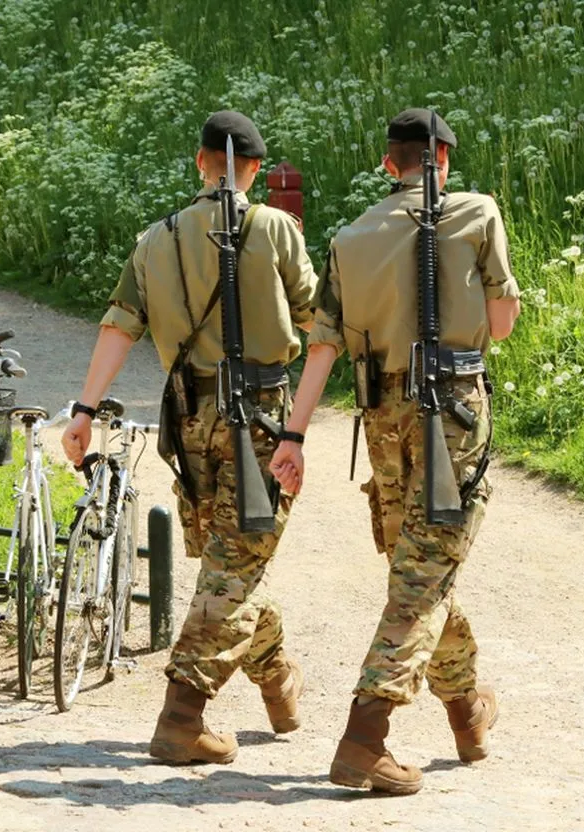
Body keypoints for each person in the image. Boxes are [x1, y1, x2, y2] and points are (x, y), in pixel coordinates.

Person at [269, 108, 521, 794]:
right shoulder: (477, 211)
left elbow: (323, 345)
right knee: (424, 574)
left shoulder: (350, 236)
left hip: (381, 417)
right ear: (442, 160)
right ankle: (365, 736)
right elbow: (500, 324)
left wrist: (293, 436)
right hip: (453, 411)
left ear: (390, 164)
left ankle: (468, 712)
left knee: (419, 565)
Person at [62, 111, 317, 765]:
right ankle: (182, 718)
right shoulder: (276, 230)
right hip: (259, 422)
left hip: (191, 428)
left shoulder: (156, 240)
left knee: (230, 567)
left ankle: (278, 679)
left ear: (200, 162)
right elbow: (323, 323)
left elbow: (120, 325)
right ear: (254, 171)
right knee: (233, 571)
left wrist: (84, 409)